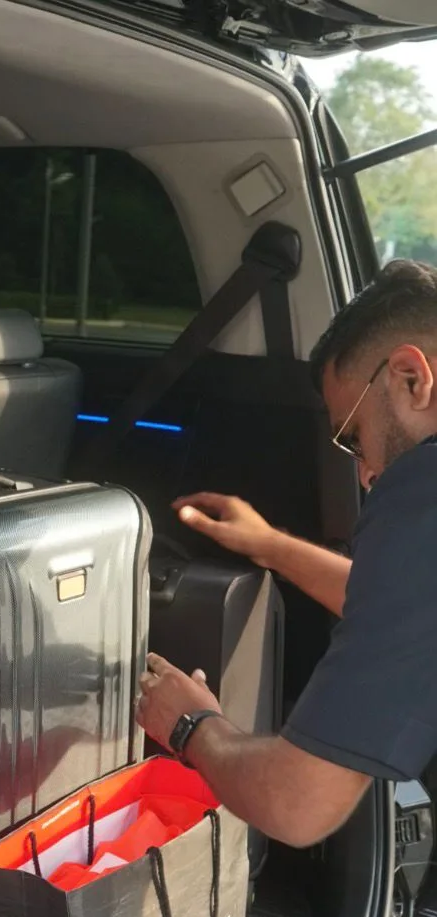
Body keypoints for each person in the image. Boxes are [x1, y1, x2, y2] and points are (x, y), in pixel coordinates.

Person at [136, 259, 437, 847]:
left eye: (352, 436)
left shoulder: (424, 491)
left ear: (410, 378)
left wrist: (191, 724)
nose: (367, 473)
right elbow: (405, 608)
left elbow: (296, 805)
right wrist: (269, 545)